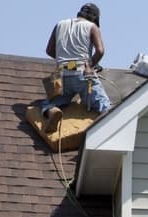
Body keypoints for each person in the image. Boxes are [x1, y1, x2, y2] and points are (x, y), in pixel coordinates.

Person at [41, 3, 110, 133]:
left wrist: (64, 61)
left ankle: (52, 111)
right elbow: (100, 51)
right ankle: (90, 133)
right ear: (94, 18)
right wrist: (90, 65)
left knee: (48, 104)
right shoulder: (92, 27)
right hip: (81, 73)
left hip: (62, 76)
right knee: (104, 106)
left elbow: (49, 50)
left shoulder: (60, 24)